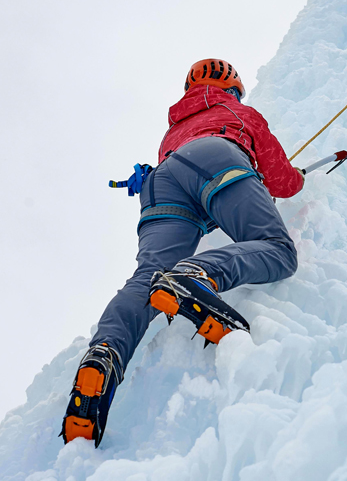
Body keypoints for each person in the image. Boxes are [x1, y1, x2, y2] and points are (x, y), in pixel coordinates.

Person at [61, 58, 305, 447]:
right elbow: (282, 180)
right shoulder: (239, 111)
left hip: (161, 180)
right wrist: (297, 177)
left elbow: (192, 186)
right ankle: (195, 275)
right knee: (277, 250)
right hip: (217, 156)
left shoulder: (172, 129)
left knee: (147, 276)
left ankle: (105, 354)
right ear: (233, 88)